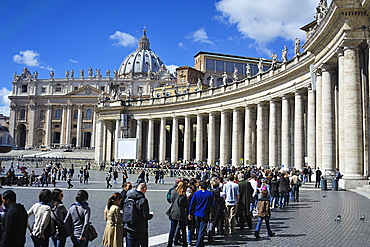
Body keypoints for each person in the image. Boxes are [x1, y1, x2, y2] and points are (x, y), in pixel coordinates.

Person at [124, 183, 154, 247]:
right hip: (140, 228)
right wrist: (151, 215)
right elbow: (145, 215)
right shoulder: (143, 200)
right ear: (144, 189)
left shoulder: (128, 197)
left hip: (129, 226)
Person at [188, 180, 215, 247]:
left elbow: (192, 204)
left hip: (196, 213)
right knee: (202, 229)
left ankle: (200, 243)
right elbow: (214, 204)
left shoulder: (196, 194)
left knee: (198, 228)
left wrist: (190, 213)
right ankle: (199, 243)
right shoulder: (210, 194)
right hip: (205, 213)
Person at [167, 181, 188, 247]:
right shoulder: (183, 195)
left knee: (172, 230)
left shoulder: (173, 192)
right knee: (183, 230)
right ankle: (185, 243)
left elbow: (171, 200)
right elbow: (185, 205)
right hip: (181, 213)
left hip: (173, 212)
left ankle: (169, 244)